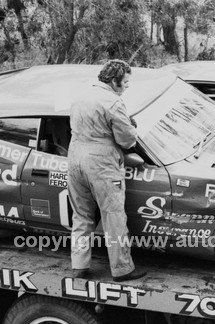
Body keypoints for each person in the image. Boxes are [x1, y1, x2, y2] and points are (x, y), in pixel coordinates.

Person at [67, 59, 147, 282]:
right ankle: (122, 269)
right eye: (126, 82)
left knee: (82, 215)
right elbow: (127, 140)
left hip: (75, 156)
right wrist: (131, 126)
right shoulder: (113, 102)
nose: (127, 87)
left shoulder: (81, 95)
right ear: (114, 81)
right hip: (100, 162)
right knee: (113, 217)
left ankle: (79, 266)